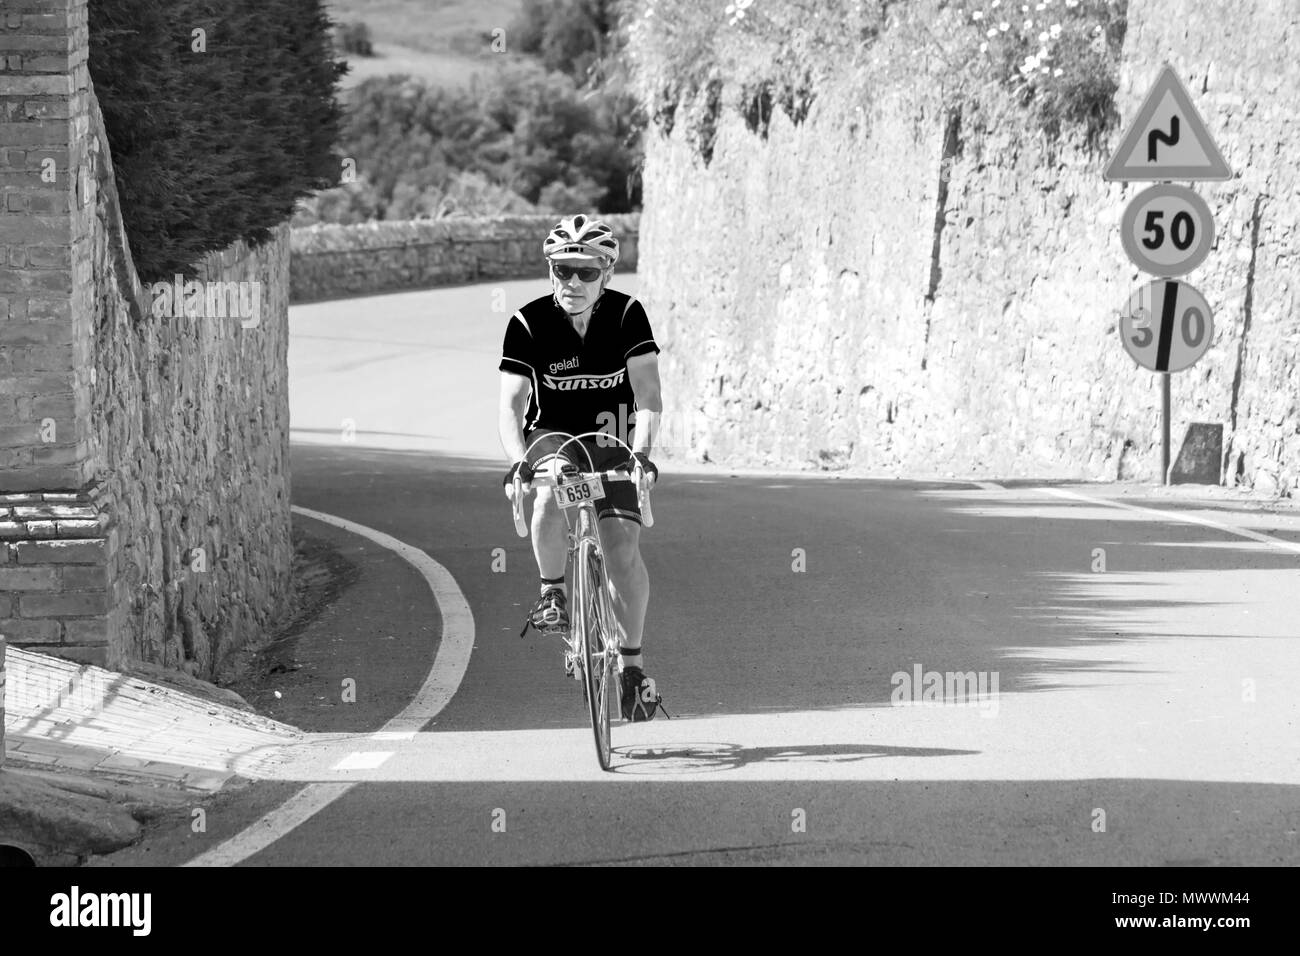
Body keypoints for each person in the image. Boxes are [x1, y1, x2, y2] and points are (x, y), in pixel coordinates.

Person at [497, 215, 666, 721]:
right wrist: (517, 465)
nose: (572, 282)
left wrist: (642, 453)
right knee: (551, 489)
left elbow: (649, 395)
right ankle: (553, 592)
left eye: (585, 272)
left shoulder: (628, 315)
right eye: (562, 270)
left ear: (607, 273)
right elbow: (510, 406)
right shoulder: (528, 323)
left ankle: (632, 670)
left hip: (613, 442)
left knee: (623, 556)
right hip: (554, 440)